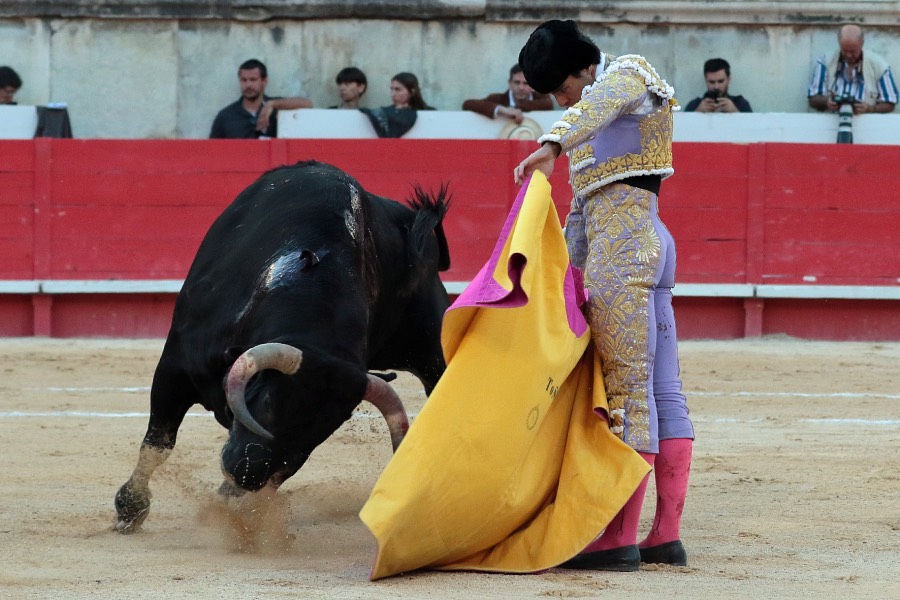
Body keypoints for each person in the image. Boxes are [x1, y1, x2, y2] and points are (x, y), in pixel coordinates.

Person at [514, 19, 695, 572]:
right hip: (633, 241)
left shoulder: (627, 73)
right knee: (662, 391)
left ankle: (617, 539)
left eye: (560, 88)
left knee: (626, 394)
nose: (559, 99)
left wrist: (549, 140)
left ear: (582, 67)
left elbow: (595, 105)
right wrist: (563, 274)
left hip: (627, 248)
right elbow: (579, 214)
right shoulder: (587, 118)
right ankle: (664, 535)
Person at [209, 59, 312, 139]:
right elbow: (211, 151)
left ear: (264, 81)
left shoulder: (278, 106)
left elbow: (307, 104)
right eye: (244, 80)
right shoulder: (225, 116)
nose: (248, 85)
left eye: (253, 80)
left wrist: (272, 104)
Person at [808, 24, 898, 114]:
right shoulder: (825, 61)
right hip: (830, 124)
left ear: (862, 43)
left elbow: (890, 102)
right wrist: (827, 103)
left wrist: (870, 109)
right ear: (839, 43)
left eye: (853, 51)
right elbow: (813, 98)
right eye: (844, 50)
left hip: (866, 124)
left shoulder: (879, 66)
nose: (848, 55)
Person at [462, 64, 553, 123]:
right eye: (517, 82)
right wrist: (502, 109)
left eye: (525, 83)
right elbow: (467, 104)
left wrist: (515, 108)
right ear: (510, 83)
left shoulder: (542, 98)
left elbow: (549, 104)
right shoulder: (497, 99)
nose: (520, 87)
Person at [360, 72, 434, 138]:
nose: (392, 94)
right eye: (391, 89)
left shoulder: (430, 113)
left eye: (398, 89)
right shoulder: (385, 112)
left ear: (412, 91)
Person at [683, 58, 752, 113]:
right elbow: (682, 128)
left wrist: (735, 112)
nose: (716, 86)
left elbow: (752, 128)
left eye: (721, 81)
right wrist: (697, 113)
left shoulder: (741, 104)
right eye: (712, 82)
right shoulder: (695, 105)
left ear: (729, 80)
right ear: (706, 81)